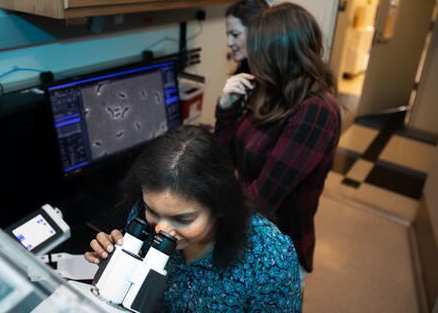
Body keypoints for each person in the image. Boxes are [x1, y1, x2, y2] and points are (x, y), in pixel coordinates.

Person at [85, 125, 302, 312]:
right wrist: (113, 268)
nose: (161, 230)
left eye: (183, 219)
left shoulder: (270, 258)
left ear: (220, 205)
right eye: (152, 210)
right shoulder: (143, 217)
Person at [215, 2, 341, 283]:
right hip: (247, 234)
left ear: (278, 52)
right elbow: (225, 157)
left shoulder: (316, 111)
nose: (251, 56)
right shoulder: (269, 90)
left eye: (257, 48)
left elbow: (262, 198)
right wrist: (227, 107)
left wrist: (205, 210)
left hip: (278, 249)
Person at [225, 0, 269, 76]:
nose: (229, 43)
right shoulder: (247, 68)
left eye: (235, 34)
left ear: (257, 33)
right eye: (227, 35)